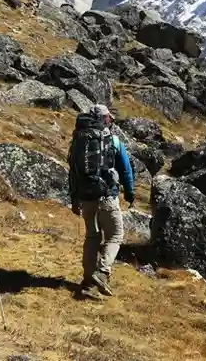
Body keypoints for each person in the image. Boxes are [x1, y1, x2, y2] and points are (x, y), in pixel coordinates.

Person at [68, 104, 134, 297]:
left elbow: (73, 171)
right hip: (107, 196)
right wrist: (129, 192)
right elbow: (126, 170)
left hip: (86, 197)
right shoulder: (113, 140)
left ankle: (88, 281)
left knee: (92, 236)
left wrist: (74, 198)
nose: (111, 121)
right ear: (104, 119)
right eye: (109, 118)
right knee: (115, 235)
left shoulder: (79, 139)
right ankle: (103, 272)